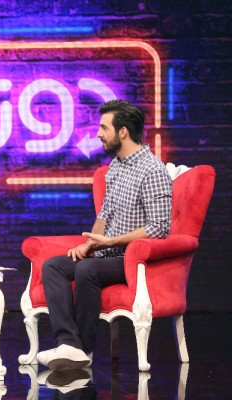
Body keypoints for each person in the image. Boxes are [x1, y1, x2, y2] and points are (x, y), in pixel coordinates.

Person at [36, 100, 172, 371]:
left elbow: (159, 227)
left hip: (132, 260)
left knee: (87, 269)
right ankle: (68, 343)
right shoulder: (116, 167)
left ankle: (83, 349)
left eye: (103, 128)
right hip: (107, 254)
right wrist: (91, 244)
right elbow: (105, 214)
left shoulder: (152, 170)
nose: (98, 134)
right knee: (53, 266)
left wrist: (111, 242)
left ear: (123, 132)